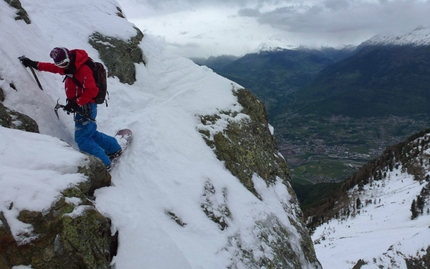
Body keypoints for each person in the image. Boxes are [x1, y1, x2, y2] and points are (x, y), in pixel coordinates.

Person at [20, 47, 122, 170]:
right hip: (82, 107)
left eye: (65, 63)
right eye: (60, 64)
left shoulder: (82, 69)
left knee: (82, 139)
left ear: (69, 57)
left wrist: (76, 103)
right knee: (90, 133)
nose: (63, 66)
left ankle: (103, 164)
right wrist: (34, 64)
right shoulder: (69, 67)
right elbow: (53, 68)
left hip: (86, 108)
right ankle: (114, 148)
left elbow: (92, 90)